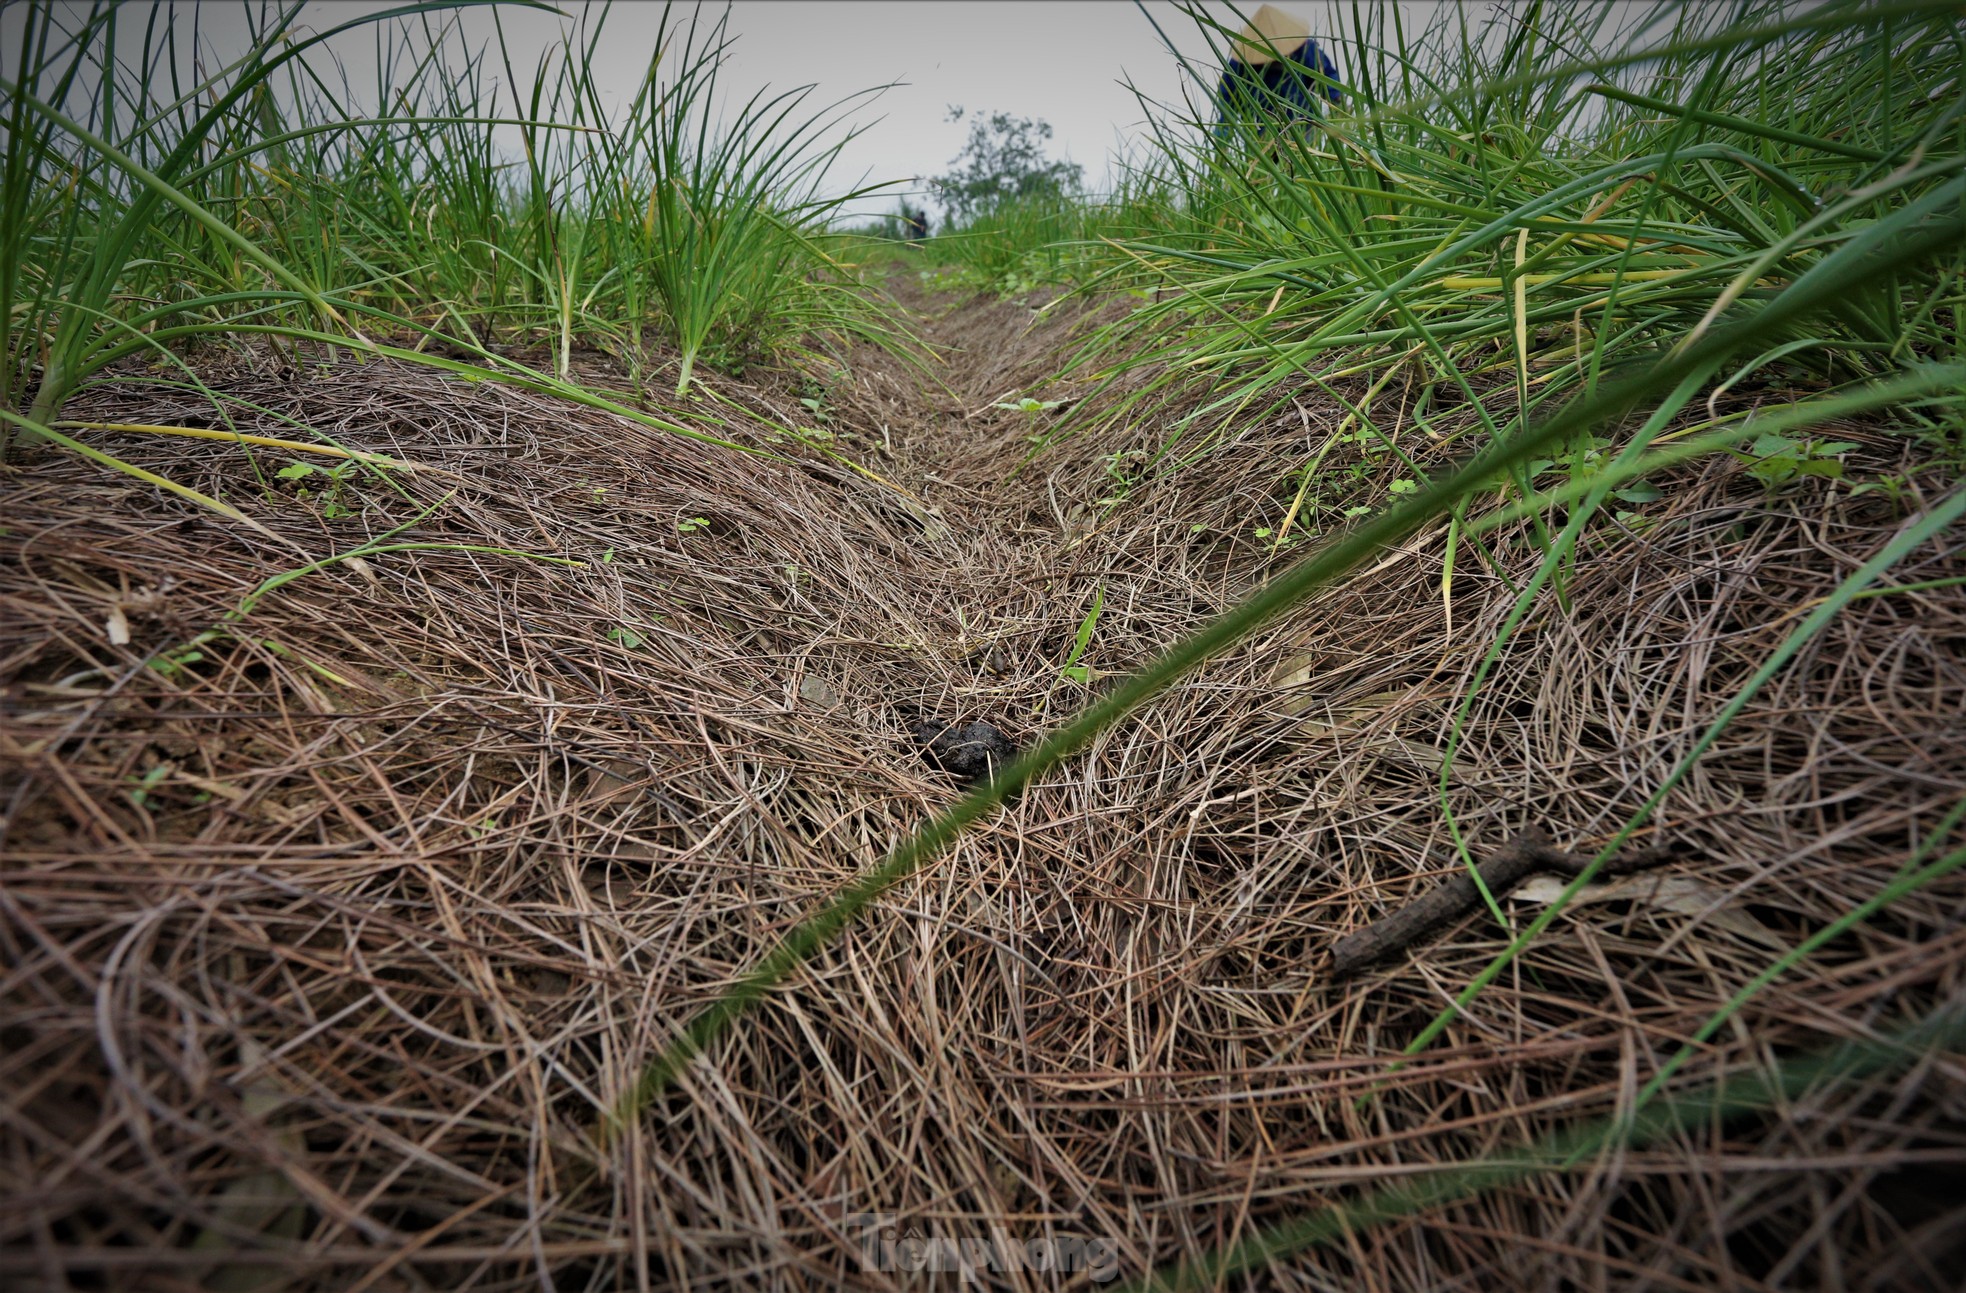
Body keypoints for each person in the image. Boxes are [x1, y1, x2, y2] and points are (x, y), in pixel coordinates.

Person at [1214, 4, 1341, 137]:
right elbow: (1227, 107)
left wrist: (1339, 105)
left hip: (1304, 125)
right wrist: (1220, 145)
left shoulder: (1305, 50)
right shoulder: (1240, 64)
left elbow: (1328, 78)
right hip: (1261, 132)